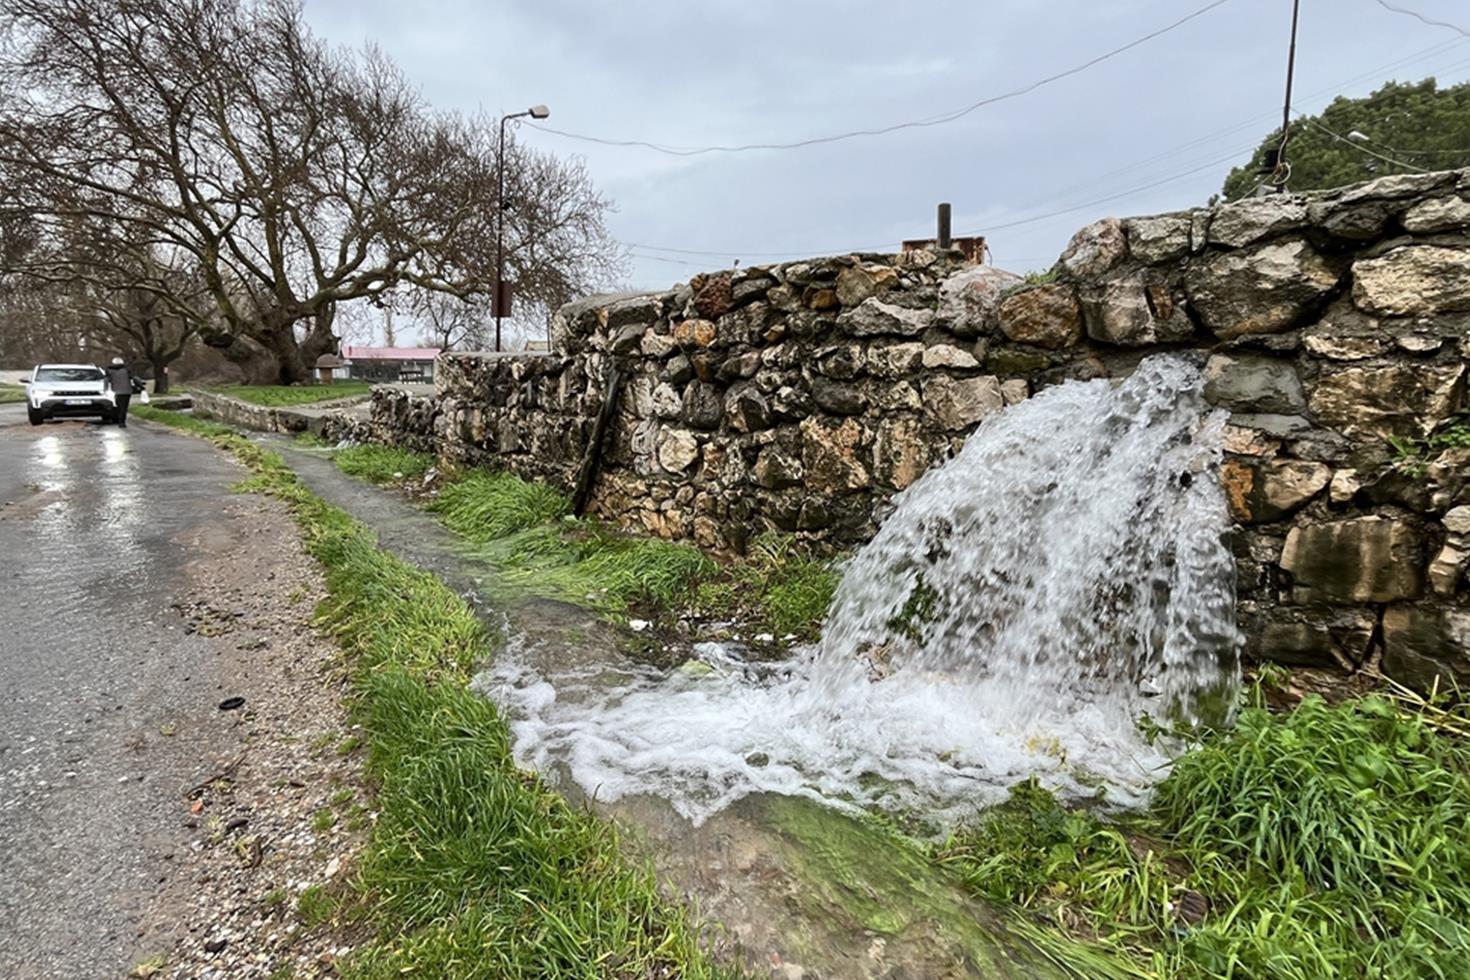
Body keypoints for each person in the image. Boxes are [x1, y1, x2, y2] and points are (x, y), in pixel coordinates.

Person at [105, 357, 133, 427]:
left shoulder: (109, 370)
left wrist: (105, 389)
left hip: (115, 391)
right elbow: (132, 378)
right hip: (126, 391)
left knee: (118, 406)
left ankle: (119, 420)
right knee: (124, 407)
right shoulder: (126, 369)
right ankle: (122, 422)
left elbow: (107, 380)